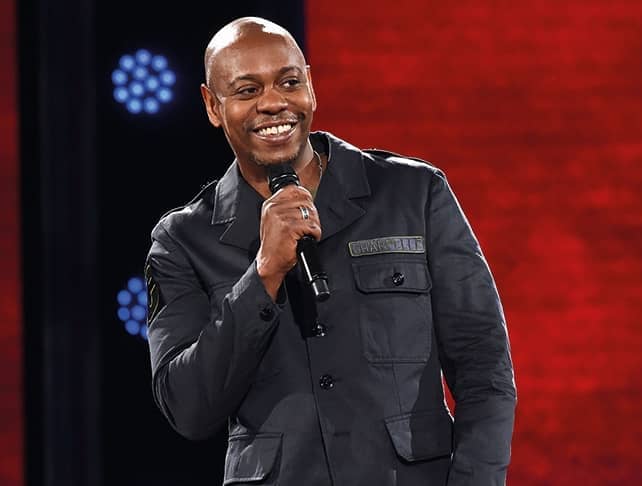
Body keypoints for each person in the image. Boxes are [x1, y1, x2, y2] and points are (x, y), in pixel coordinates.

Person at [144, 16, 516, 486]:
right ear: (212, 106)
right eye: (247, 90)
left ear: (311, 86)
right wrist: (262, 276)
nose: (274, 103)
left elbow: (485, 370)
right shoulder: (182, 240)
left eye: (289, 82)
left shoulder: (413, 193)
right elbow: (188, 408)